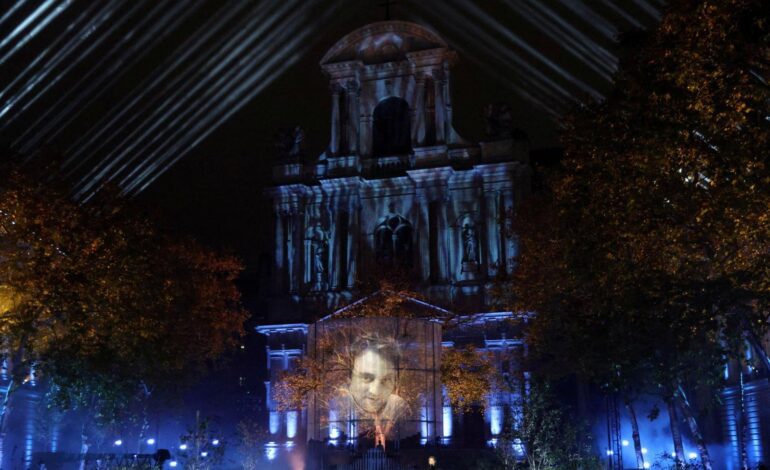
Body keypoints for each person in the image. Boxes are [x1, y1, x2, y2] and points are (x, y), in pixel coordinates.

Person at [342, 336, 410, 448]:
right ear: (350, 379)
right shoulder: (341, 411)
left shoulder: (400, 408)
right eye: (366, 377)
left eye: (386, 379)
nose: (375, 391)